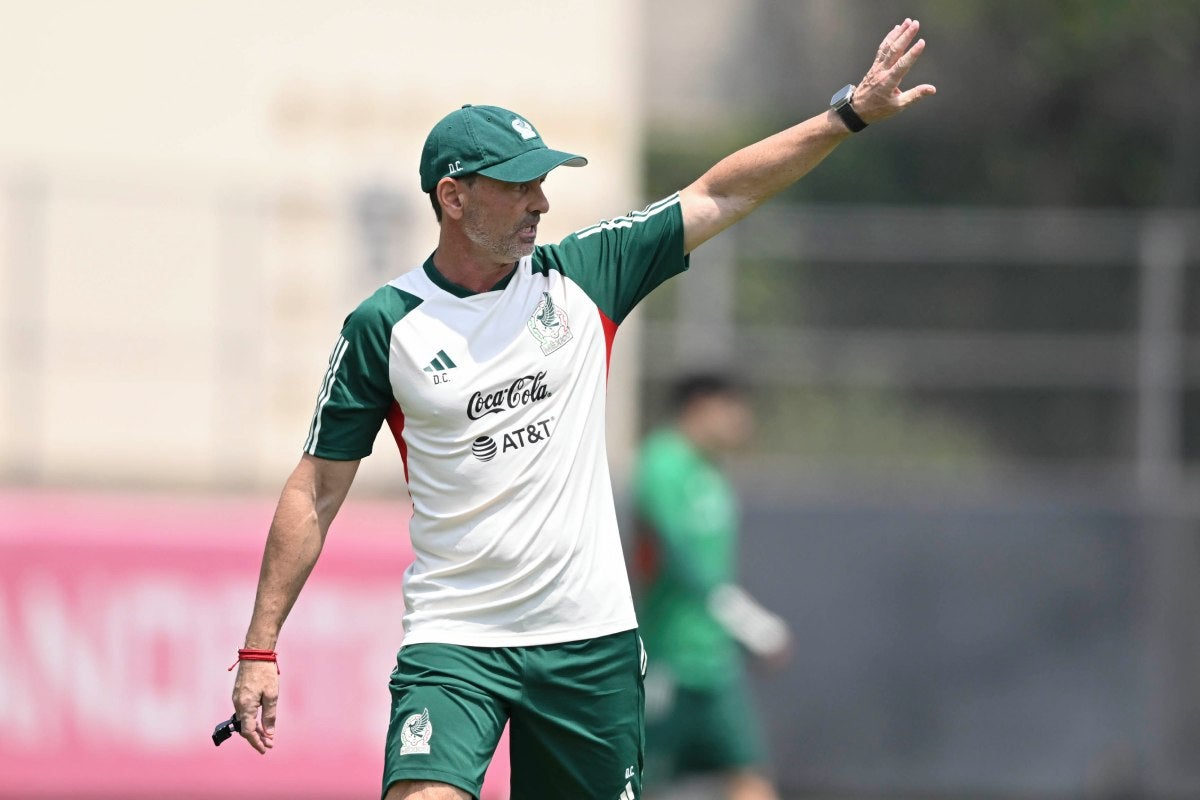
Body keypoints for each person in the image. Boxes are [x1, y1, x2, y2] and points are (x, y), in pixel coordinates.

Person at [229, 18, 935, 800]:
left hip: (588, 642)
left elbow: (720, 190)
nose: (541, 200)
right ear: (453, 197)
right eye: (518, 183)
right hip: (456, 639)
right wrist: (261, 647)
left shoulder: (585, 276)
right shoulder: (383, 325)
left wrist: (848, 115)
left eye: (543, 181)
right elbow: (316, 488)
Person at [632, 375, 790, 800]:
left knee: (750, 777)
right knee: (637, 783)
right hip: (668, 658)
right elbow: (677, 552)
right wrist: (748, 621)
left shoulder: (714, 472)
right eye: (732, 405)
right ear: (701, 406)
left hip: (717, 665)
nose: (742, 418)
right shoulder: (662, 460)